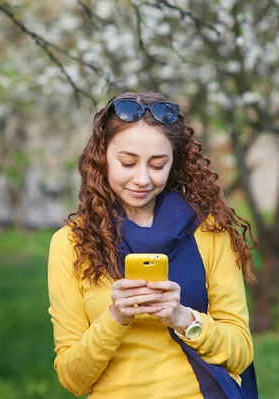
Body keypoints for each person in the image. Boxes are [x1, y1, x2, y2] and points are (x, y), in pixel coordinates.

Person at [47, 91, 258, 399]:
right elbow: (72, 378)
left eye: (158, 165)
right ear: (102, 156)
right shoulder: (70, 243)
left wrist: (183, 318)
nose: (142, 179)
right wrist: (116, 316)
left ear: (175, 164)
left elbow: (240, 353)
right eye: (128, 162)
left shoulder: (209, 232)